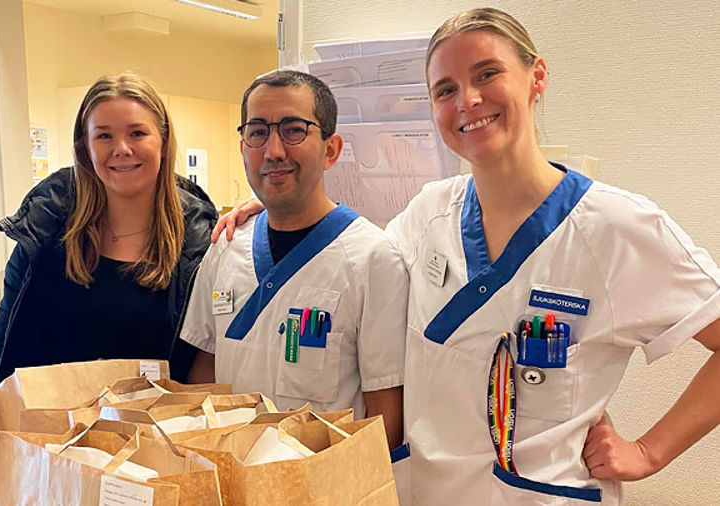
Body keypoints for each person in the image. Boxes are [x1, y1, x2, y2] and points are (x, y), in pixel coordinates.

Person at [213, 8, 720, 505]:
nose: (468, 100)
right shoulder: (428, 214)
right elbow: (352, 256)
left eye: (487, 74)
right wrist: (281, 203)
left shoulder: (615, 227)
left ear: (536, 77)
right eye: (445, 89)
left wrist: (649, 452)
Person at [181, 70, 408, 449]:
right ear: (243, 147)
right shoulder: (227, 244)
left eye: (293, 130)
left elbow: (386, 415)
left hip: (321, 478)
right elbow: (205, 370)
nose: (273, 151)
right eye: (257, 132)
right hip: (229, 472)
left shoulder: (373, 259)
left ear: (331, 150)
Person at [0, 73, 217, 389]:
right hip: (55, 418)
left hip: (162, 419)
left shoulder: (201, 242)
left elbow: (209, 356)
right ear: (85, 148)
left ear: (163, 142)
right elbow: (4, 343)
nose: (122, 149)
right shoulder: (45, 231)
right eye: (104, 136)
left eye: (137, 133)